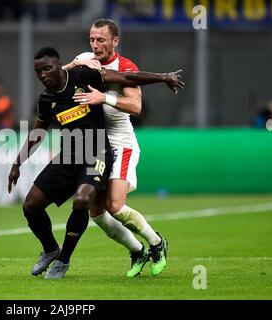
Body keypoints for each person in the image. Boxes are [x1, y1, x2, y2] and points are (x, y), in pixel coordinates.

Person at [7, 46, 183, 279]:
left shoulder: (84, 76)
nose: (42, 75)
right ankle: (51, 249)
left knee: (83, 200)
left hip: (97, 151)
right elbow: (38, 133)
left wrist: (163, 77)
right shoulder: (47, 99)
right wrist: (17, 163)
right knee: (30, 205)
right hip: (69, 155)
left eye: (47, 69)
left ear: (60, 65)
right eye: (38, 71)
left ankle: (63, 261)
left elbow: (126, 77)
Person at [65, 18, 181, 277]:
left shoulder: (125, 67)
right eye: (92, 40)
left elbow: (136, 107)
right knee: (96, 212)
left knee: (116, 205)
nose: (95, 45)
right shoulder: (84, 58)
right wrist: (73, 64)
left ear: (115, 41)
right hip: (96, 146)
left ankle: (157, 243)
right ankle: (137, 250)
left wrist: (103, 97)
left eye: (101, 40)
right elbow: (57, 78)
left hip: (120, 144)